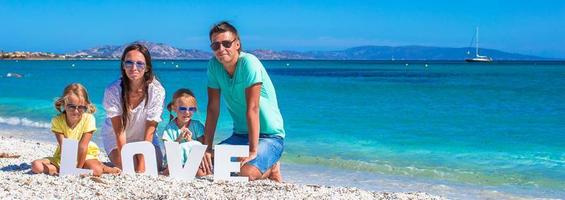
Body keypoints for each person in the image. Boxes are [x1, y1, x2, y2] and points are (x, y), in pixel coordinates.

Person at [202, 21, 285, 182]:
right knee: (203, 167)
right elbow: (213, 109)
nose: (221, 49)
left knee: (246, 174)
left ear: (237, 44)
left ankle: (272, 168)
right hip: (239, 136)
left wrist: (253, 151)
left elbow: (252, 108)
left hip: (269, 137)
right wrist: (207, 148)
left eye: (226, 43)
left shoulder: (249, 63)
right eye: (215, 46)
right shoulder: (213, 66)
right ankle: (260, 163)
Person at [100, 43, 165, 173]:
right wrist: (129, 161)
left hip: (145, 137)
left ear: (147, 68)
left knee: (150, 168)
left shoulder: (156, 90)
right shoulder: (113, 90)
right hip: (116, 138)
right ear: (123, 66)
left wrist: (142, 166)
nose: (134, 68)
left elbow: (149, 132)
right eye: (129, 63)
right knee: (131, 167)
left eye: (140, 63)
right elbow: (119, 132)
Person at [31, 83, 120, 176]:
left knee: (97, 171)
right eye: (71, 106)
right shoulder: (57, 120)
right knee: (36, 166)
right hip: (65, 155)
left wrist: (77, 169)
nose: (76, 111)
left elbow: (83, 146)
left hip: (85, 154)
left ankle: (104, 167)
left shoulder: (89, 119)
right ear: (64, 105)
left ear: (86, 105)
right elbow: (64, 146)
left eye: (81, 107)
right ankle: (64, 170)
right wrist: (69, 168)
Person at [160, 88, 207, 176]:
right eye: (183, 108)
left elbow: (202, 147)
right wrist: (179, 138)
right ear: (174, 108)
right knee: (167, 173)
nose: (187, 112)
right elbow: (169, 149)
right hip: (175, 161)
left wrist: (190, 141)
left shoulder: (197, 125)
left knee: (201, 174)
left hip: (193, 161)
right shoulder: (170, 128)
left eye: (191, 109)